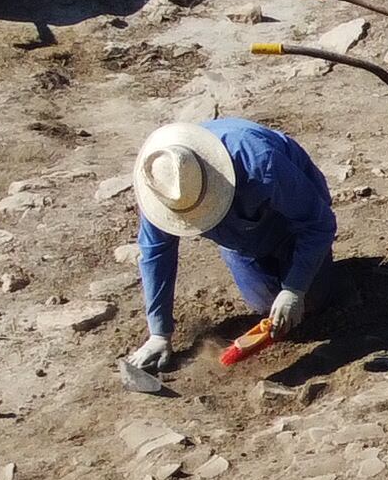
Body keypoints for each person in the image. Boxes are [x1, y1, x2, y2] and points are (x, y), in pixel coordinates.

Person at [124, 118, 336, 374]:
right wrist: (159, 333)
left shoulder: (259, 163)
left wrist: (294, 289)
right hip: (239, 238)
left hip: (291, 217)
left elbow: (318, 223)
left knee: (312, 302)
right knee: (266, 307)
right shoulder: (162, 183)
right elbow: (155, 252)